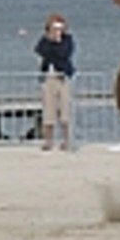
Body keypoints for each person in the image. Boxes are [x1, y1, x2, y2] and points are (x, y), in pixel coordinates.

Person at [34, 13, 75, 151]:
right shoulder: (44, 41)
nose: (57, 30)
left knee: (64, 110)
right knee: (48, 110)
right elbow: (40, 51)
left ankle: (66, 140)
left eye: (59, 27)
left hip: (62, 76)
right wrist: (49, 39)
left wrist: (57, 41)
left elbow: (64, 54)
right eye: (54, 27)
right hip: (48, 77)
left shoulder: (67, 40)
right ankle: (48, 141)